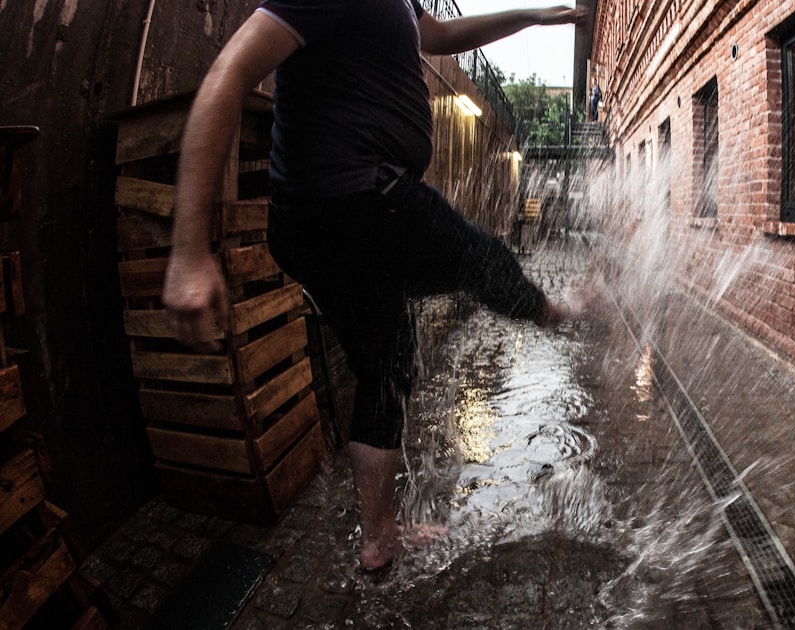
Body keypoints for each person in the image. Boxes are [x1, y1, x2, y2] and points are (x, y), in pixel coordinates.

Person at [162, 0, 586, 571]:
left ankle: (379, 539)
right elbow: (230, 72)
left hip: (346, 220)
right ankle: (553, 312)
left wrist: (530, 18)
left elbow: (438, 35)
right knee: (482, 256)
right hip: (356, 201)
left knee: (385, 367)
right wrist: (189, 250)